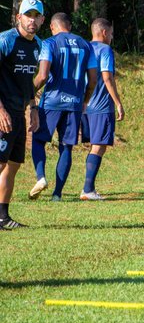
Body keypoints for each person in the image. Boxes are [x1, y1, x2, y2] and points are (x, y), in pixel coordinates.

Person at [31, 13, 98, 201]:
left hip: (52, 101)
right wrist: (85, 100)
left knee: (38, 140)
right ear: (69, 26)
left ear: (53, 27)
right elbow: (93, 79)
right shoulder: (86, 45)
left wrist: (28, 91)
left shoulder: (49, 43)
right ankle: (57, 194)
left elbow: (43, 75)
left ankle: (41, 177)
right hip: (75, 103)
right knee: (66, 147)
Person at [0, 0, 45, 229]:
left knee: (13, 164)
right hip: (3, 112)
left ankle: (2, 218)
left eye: (36, 16)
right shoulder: (6, 40)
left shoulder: (37, 44)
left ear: (42, 20)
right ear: (19, 17)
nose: (32, 20)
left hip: (19, 112)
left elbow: (28, 80)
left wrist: (33, 108)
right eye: (28, 15)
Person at [79, 18, 125, 200]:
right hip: (101, 105)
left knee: (94, 146)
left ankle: (88, 188)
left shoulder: (84, 48)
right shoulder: (105, 50)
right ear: (105, 32)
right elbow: (107, 78)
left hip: (85, 106)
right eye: (111, 33)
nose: (112, 37)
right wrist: (118, 102)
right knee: (99, 146)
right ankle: (88, 190)